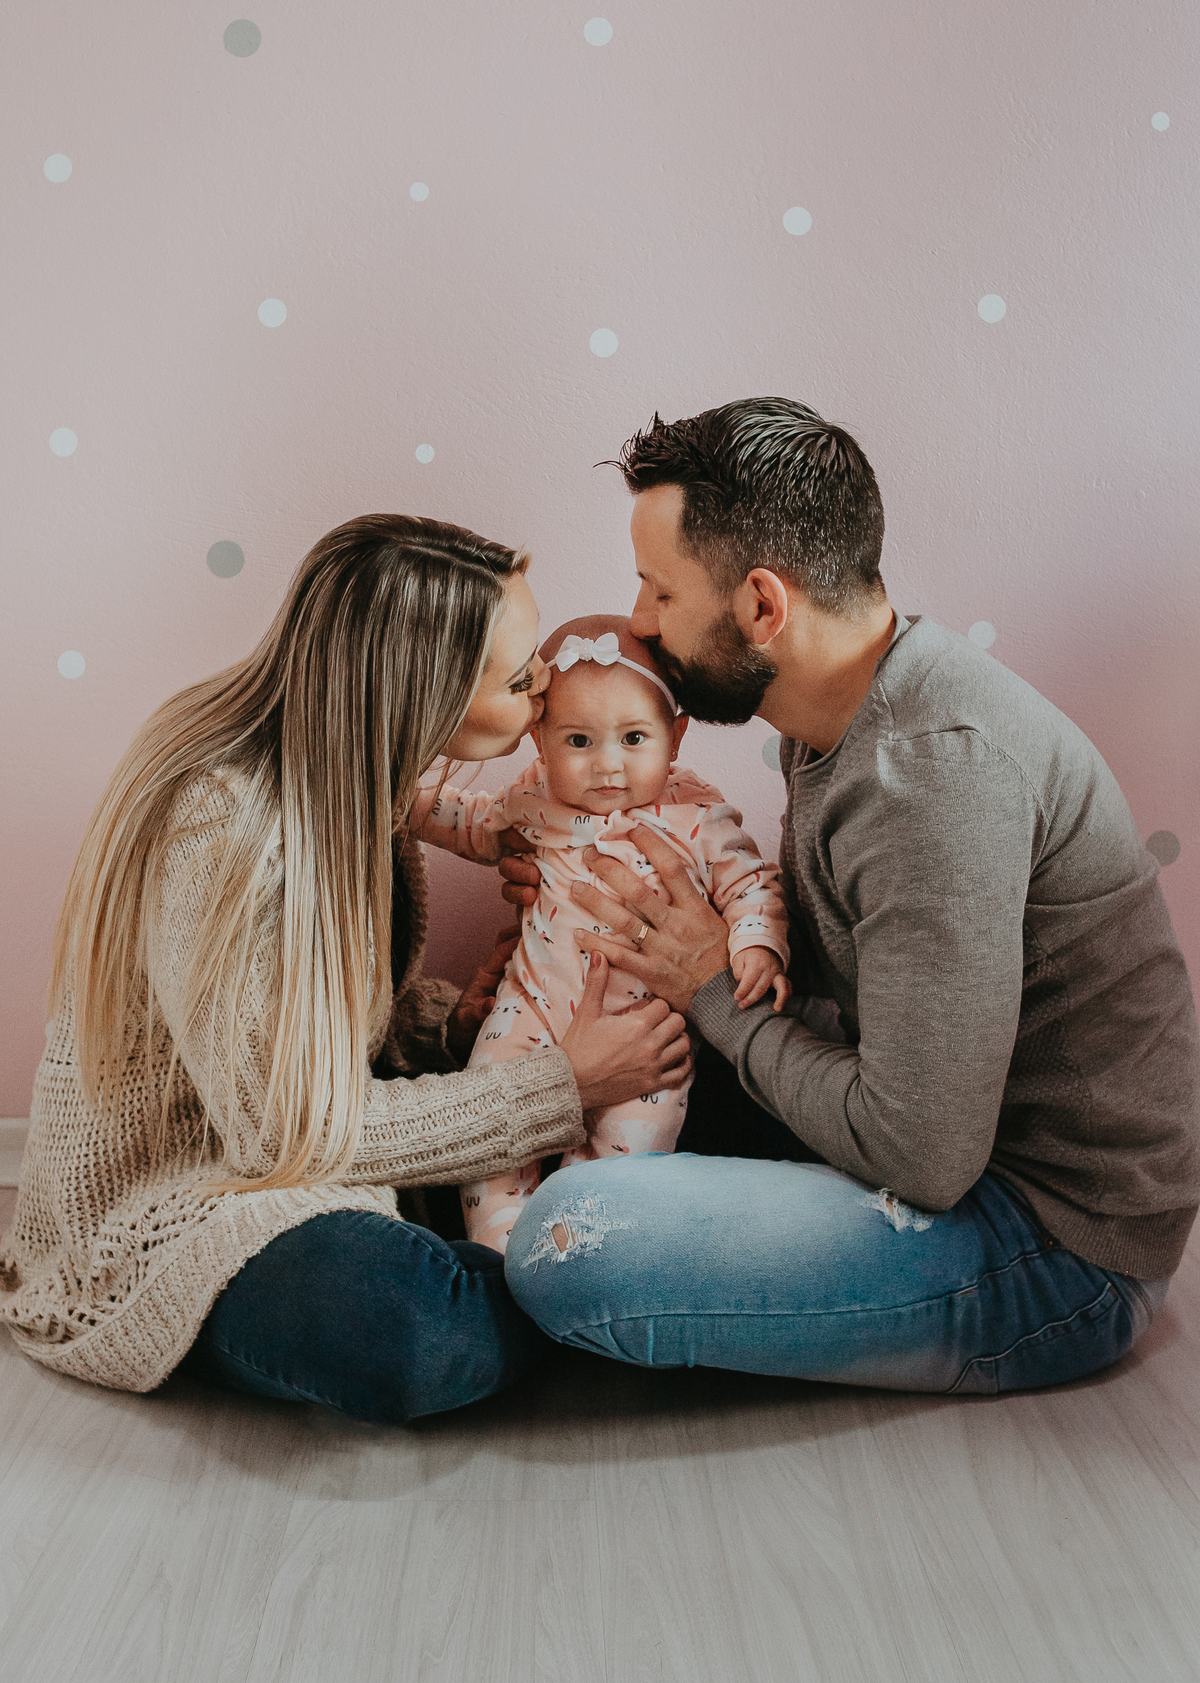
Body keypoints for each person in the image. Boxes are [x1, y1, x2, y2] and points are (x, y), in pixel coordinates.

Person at [502, 398, 1200, 1394]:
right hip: (920, 1125)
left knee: (568, 1242)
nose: (641, 623)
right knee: (589, 1066)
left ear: (762, 607)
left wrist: (710, 988)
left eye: (659, 590)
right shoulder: (837, 709)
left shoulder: (930, 780)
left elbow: (923, 1158)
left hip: (1046, 1242)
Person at [0, 515, 691, 1424]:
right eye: (519, 677)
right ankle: (618, 1273)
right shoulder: (220, 823)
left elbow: (308, 1017)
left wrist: (450, 1026)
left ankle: (588, 1260)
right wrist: (563, 1084)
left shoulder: (356, 779)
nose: (543, 690)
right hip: (198, 1199)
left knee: (681, 1066)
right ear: (427, 692)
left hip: (322, 1137)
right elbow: (278, 1133)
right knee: (416, 1330)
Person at [412, 613, 790, 1250]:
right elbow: (470, 822)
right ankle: (497, 1253)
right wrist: (399, 799)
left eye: (634, 738)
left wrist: (756, 941)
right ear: (539, 740)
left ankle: (570, 1257)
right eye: (579, 741)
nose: (607, 765)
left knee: (622, 1163)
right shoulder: (533, 799)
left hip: (644, 1034)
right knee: (490, 1136)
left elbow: (750, 882)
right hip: (529, 1008)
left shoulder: (698, 816)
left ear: (676, 735)